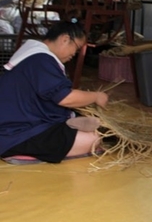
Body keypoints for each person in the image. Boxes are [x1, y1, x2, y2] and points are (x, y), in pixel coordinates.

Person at [0, 20, 108, 163]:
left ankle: (70, 126)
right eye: (76, 49)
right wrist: (96, 96)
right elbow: (66, 98)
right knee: (93, 139)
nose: (73, 54)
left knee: (89, 126)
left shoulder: (35, 56)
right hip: (16, 136)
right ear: (65, 39)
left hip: (17, 128)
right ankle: (25, 152)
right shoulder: (41, 60)